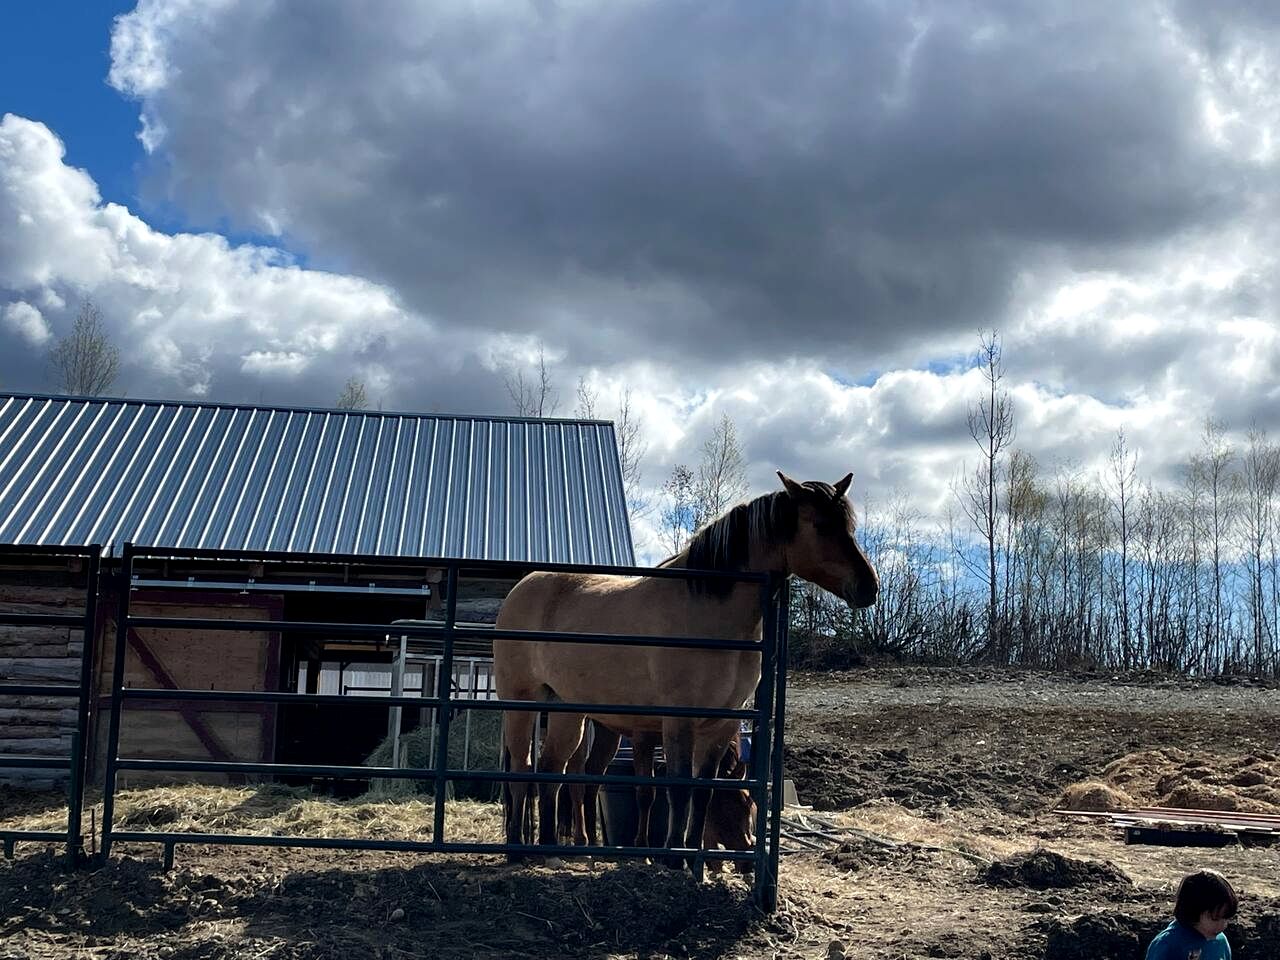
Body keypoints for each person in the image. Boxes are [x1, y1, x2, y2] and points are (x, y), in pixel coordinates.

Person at [1145, 869, 1238, 960]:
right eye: (1215, 919)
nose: (1223, 925)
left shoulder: (1220, 941)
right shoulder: (1167, 945)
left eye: (1226, 918)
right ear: (1194, 911)